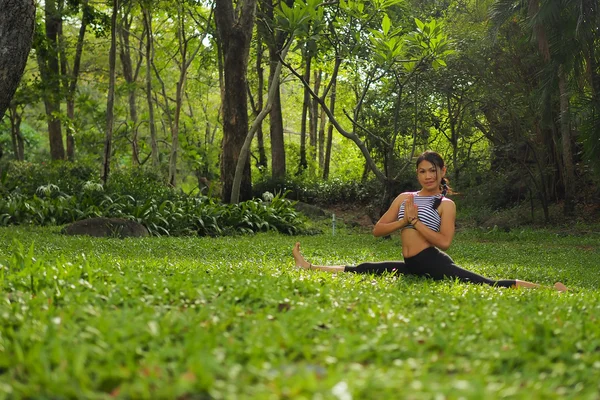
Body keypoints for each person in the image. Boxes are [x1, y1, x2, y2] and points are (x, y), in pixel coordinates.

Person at [292, 150, 568, 292]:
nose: (427, 176)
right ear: (417, 173)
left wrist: (417, 223)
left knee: (486, 283)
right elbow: (377, 230)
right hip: (413, 264)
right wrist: (403, 222)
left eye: (432, 170)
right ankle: (309, 266)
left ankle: (550, 290)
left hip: (432, 261)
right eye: (422, 171)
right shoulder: (404, 197)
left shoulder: (446, 204)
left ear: (442, 171)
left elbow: (445, 243)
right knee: (366, 268)